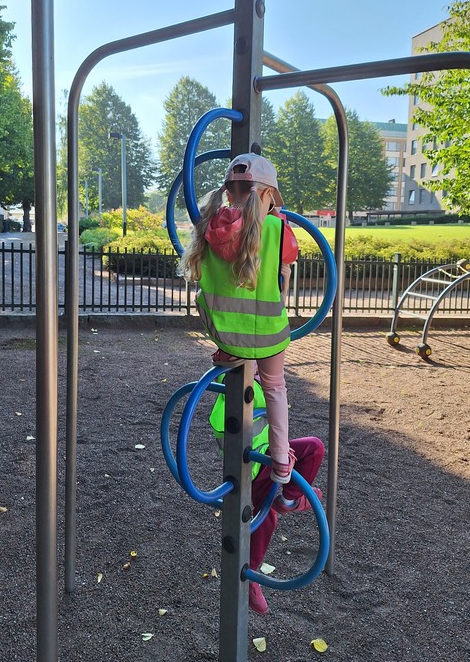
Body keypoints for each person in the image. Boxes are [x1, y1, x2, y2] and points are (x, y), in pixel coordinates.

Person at [181, 152, 299, 485]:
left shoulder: (209, 224)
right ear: (267, 194)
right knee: (275, 387)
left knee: (247, 357)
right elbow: (288, 260)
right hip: (269, 336)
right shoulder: (276, 228)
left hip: (224, 334)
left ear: (228, 192)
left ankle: (235, 355)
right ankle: (281, 462)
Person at [209, 378, 324, 615]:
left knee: (313, 448)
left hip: (267, 453)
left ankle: (290, 499)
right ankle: (249, 573)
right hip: (252, 467)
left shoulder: (259, 384)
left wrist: (282, 452)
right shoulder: (242, 387)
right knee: (266, 516)